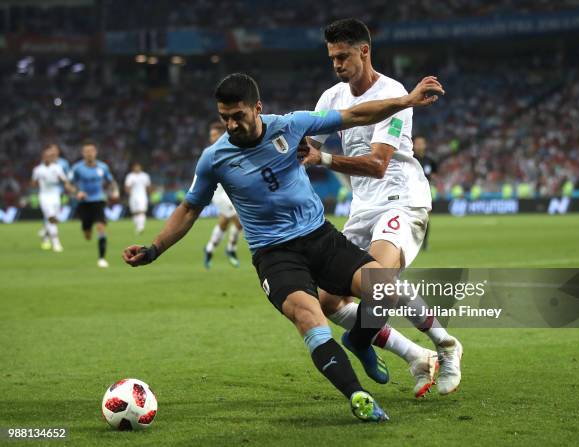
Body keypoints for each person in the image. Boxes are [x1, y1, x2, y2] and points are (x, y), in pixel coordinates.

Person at [123, 73, 444, 421]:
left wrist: (406, 101)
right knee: (311, 318)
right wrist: (154, 248)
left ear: (257, 108)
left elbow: (356, 115)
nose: (231, 124)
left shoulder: (290, 126)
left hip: (320, 238)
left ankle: (361, 341)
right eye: (224, 117)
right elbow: (189, 208)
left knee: (383, 290)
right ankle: (358, 396)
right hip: (275, 255)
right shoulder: (213, 159)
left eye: (238, 116)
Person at [301, 19, 462, 396]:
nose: (337, 64)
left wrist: (321, 158)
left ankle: (447, 345)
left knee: (377, 282)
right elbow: (303, 144)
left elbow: (377, 165)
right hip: (363, 206)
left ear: (364, 51)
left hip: (401, 199)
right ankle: (416, 355)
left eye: (343, 56)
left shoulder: (394, 94)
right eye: (332, 58)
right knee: (326, 300)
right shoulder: (332, 97)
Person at [70, 141, 119, 268]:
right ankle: (86, 228)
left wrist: (115, 191)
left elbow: (111, 181)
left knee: (100, 227)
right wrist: (77, 192)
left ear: (95, 152)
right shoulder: (77, 168)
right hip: (84, 202)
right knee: (87, 235)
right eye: (86, 151)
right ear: (83, 153)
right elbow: (69, 184)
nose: (89, 153)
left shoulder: (103, 167)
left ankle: (102, 259)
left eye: (91, 151)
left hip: (99, 200)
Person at [203, 121, 243, 269]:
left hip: (229, 193)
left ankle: (209, 249)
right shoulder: (210, 153)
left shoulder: (230, 149)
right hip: (219, 195)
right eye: (211, 135)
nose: (212, 138)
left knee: (223, 223)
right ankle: (231, 249)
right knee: (240, 222)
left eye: (214, 135)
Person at [31, 147, 72, 252]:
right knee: (51, 217)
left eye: (51, 156)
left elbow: (64, 179)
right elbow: (33, 183)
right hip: (44, 196)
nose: (49, 158)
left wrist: (67, 185)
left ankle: (45, 232)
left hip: (55, 196)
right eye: (47, 156)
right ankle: (56, 243)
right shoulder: (38, 170)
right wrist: (36, 183)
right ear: (43, 157)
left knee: (54, 218)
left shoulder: (57, 168)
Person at [413, 136, 437, 251]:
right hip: (411, 192)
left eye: (421, 143)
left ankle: (424, 243)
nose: (419, 146)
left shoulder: (430, 161)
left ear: (425, 145)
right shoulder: (410, 158)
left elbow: (434, 174)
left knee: (425, 218)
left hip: (425, 193)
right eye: (417, 143)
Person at [124, 162, 152, 234]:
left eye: (138, 167)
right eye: (135, 167)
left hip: (142, 196)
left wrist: (148, 194)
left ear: (140, 167)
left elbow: (148, 186)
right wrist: (129, 194)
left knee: (141, 211)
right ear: (133, 168)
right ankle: (137, 226)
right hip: (133, 196)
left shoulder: (145, 176)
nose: (137, 168)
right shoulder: (130, 176)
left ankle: (141, 227)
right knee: (134, 212)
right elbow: (127, 186)